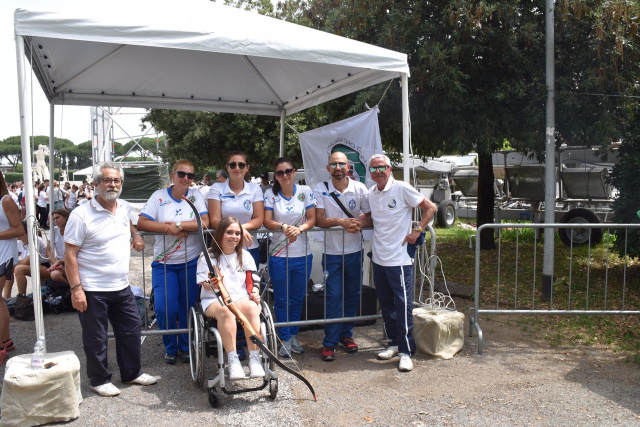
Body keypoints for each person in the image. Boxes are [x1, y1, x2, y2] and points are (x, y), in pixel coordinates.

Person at [64, 161, 156, 397]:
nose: (112, 184)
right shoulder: (80, 214)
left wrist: (136, 236)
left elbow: (130, 224)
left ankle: (132, 373)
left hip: (121, 285)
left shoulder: (124, 207)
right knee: (96, 337)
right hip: (92, 288)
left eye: (116, 180)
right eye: (107, 180)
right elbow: (70, 255)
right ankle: (99, 379)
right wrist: (76, 289)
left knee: (132, 329)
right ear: (95, 184)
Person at [363, 154, 437, 372]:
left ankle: (406, 351)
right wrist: (357, 221)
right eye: (373, 169)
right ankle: (394, 343)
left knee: (402, 305)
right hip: (379, 258)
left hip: (399, 259)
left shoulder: (402, 188)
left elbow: (431, 208)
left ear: (390, 168)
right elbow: (374, 218)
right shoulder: (372, 193)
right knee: (386, 305)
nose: (377, 172)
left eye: (381, 167)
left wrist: (418, 230)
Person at [137, 160, 209, 365]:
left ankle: (186, 346)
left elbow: (205, 222)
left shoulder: (196, 196)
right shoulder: (158, 197)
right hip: (164, 263)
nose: (186, 179)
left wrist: (178, 224)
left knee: (188, 307)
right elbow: (142, 222)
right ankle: (170, 347)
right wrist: (166, 229)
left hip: (190, 261)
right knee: (164, 308)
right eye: (181, 174)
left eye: (190, 176)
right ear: (172, 175)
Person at [313, 152, 371, 362]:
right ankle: (329, 342)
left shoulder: (360, 188)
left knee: (352, 295)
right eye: (333, 164)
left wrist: (359, 224)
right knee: (334, 297)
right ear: (328, 168)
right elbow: (319, 220)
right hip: (332, 254)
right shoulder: (321, 189)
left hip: (355, 252)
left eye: (341, 164)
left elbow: (369, 216)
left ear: (349, 167)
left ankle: (346, 335)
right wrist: (343, 222)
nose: (338, 167)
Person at [196, 217, 265, 380]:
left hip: (239, 298)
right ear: (220, 234)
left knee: (251, 307)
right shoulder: (207, 256)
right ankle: (233, 361)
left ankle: (254, 359)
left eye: (237, 233)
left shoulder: (246, 256)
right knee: (226, 312)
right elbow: (203, 284)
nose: (234, 236)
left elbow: (253, 280)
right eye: (229, 232)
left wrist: (254, 292)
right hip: (214, 300)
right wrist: (211, 283)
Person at [263, 157, 316, 357]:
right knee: (282, 299)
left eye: (288, 171)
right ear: (275, 176)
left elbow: (312, 218)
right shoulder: (270, 194)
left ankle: (293, 335)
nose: (284, 175)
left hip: (302, 254)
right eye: (279, 173)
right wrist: (282, 226)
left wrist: (299, 229)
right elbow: (267, 221)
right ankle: (283, 337)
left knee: (297, 298)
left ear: (294, 172)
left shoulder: (305, 191)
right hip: (279, 254)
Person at [208, 151, 264, 268]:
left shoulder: (255, 188)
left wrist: (239, 229)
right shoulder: (217, 188)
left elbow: (259, 219)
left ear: (247, 168)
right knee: (223, 286)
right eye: (233, 165)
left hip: (249, 247)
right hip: (223, 248)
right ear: (227, 167)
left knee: (250, 285)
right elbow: (214, 220)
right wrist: (238, 231)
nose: (237, 168)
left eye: (241, 165)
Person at [0, 172, 22, 364]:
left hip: (3, 255)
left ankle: (1, 346)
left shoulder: (6, 200)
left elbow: (19, 229)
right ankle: (5, 341)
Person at [10, 220, 53, 296]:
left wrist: (12, 263)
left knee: (18, 269)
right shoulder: (20, 243)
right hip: (35, 267)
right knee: (7, 268)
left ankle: (22, 297)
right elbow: (10, 259)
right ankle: (6, 297)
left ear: (23, 230)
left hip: (46, 267)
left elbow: (26, 262)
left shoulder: (34, 239)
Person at [48, 208, 70, 284]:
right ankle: (68, 288)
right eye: (54, 219)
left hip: (71, 261)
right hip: (59, 261)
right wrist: (55, 263)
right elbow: (48, 251)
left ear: (65, 217)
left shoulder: (72, 230)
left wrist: (60, 262)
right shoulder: (54, 230)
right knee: (54, 274)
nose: (55, 221)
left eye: (58, 218)